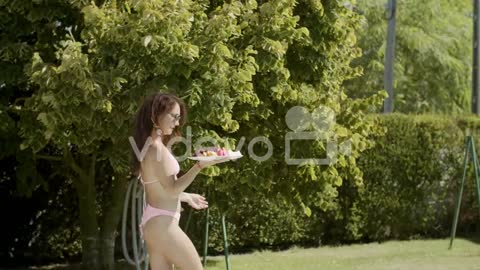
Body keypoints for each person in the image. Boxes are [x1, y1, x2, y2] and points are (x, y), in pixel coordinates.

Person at [132, 93, 228, 270]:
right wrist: (199, 166)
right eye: (174, 117)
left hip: (154, 225)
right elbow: (171, 190)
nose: (177, 123)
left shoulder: (150, 146)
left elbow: (159, 187)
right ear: (155, 116)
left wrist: (186, 196)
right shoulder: (155, 149)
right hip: (163, 225)